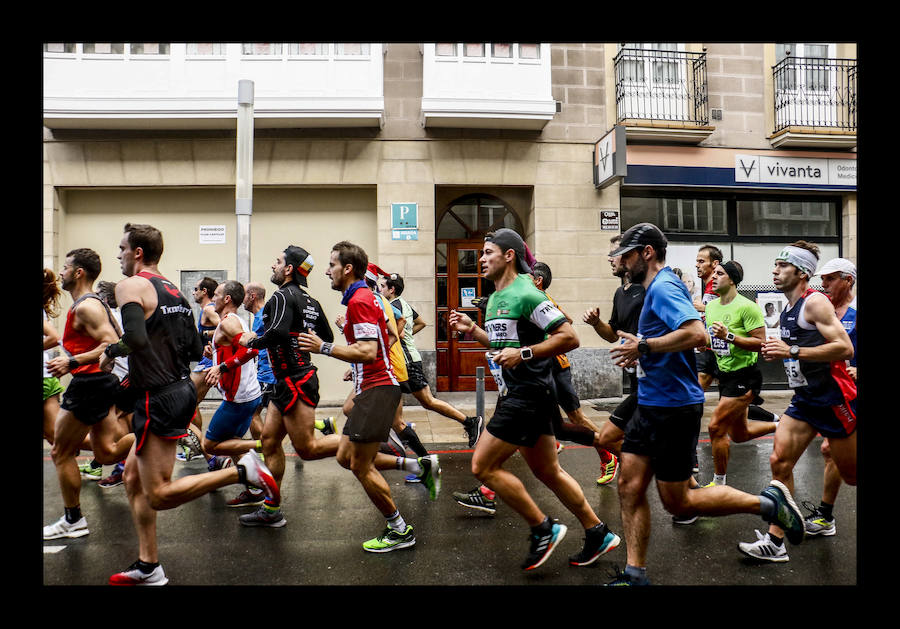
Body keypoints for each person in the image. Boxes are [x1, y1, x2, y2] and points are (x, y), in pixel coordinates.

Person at [605, 223, 806, 586]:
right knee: (629, 486)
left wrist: (644, 347)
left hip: (672, 409)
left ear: (646, 253)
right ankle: (635, 575)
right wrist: (644, 346)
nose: (619, 260)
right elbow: (685, 339)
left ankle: (769, 505)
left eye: (625, 253)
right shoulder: (652, 288)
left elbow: (696, 333)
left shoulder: (664, 286)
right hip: (650, 404)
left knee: (679, 503)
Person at [101, 223, 278, 585]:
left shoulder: (131, 286)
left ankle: (243, 472)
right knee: (133, 479)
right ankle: (149, 565)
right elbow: (198, 350)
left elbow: (132, 339)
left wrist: (110, 352)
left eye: (121, 248)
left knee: (160, 493)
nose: (117, 255)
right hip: (179, 391)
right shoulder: (176, 295)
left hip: (158, 398)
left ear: (137, 253)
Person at [448, 228, 621, 571]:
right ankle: (597, 532)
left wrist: (525, 353)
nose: (481, 259)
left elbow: (568, 336)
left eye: (487, 253)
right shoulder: (496, 297)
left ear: (508, 255)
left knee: (482, 466)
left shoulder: (528, 293)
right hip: (526, 395)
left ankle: (544, 528)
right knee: (549, 472)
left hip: (527, 395)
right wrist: (473, 330)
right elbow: (502, 349)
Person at [297, 240, 436, 553]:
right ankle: (417, 467)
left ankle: (399, 529)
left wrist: (325, 347)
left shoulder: (360, 300)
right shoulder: (364, 298)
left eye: (332, 264)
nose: (327, 271)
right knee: (345, 457)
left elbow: (369, 349)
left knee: (360, 466)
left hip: (376, 389)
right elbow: (383, 340)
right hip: (371, 387)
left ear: (347, 269)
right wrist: (357, 366)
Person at [737, 241, 857, 562]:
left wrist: (791, 351)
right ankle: (776, 543)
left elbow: (844, 348)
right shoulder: (788, 308)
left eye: (781, 265)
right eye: (775, 265)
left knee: (852, 475)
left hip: (834, 399)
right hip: (805, 400)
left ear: (802, 273)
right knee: (779, 461)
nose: (774, 270)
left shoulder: (815, 302)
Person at [236, 246, 340, 527]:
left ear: (290, 269)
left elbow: (279, 333)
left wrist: (251, 341)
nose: (274, 266)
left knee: (307, 448)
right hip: (287, 380)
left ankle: (362, 442)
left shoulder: (283, 295)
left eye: (278, 261)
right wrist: (299, 339)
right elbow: (326, 335)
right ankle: (271, 509)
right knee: (269, 441)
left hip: (296, 380)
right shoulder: (310, 300)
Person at [42, 249, 138, 541]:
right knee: (106, 452)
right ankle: (160, 431)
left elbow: (114, 343)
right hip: (101, 382)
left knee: (60, 451)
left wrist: (73, 362)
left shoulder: (86, 307)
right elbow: (121, 337)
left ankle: (73, 520)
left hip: (90, 384)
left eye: (66, 267)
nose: (61, 273)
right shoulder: (96, 303)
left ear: (79, 272)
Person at [377, 271, 484, 448]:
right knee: (414, 404)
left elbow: (400, 332)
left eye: (382, 287)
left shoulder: (393, 306)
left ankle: (469, 422)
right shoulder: (403, 304)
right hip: (408, 359)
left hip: (406, 361)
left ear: (392, 290)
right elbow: (422, 322)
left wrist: (398, 337)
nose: (379, 290)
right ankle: (402, 433)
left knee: (427, 401)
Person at [702, 261, 777, 487]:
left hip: (745, 376)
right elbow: (714, 340)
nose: (713, 277)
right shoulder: (711, 307)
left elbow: (760, 343)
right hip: (725, 376)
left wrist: (730, 337)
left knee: (715, 427)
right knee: (740, 434)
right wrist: (706, 343)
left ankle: (719, 483)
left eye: (719, 273)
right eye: (713, 273)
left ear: (732, 279)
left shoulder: (747, 307)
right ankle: (781, 425)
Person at [582, 233, 645, 485]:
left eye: (614, 254)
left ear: (631, 255)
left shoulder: (650, 289)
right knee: (619, 438)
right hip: (637, 381)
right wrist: (597, 323)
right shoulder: (621, 293)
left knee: (610, 437)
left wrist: (642, 349)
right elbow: (612, 335)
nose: (609, 259)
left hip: (656, 382)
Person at [802, 258, 857, 539]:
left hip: (853, 393)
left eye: (830, 279)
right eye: (821, 280)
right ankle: (825, 515)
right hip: (835, 395)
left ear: (848, 280)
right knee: (828, 451)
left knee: (832, 454)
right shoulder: (822, 309)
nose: (823, 285)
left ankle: (825, 515)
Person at [201, 280, 265, 473]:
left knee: (210, 445)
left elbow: (252, 350)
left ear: (227, 298)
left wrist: (221, 367)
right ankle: (254, 487)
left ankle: (263, 445)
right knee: (232, 442)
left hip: (238, 399)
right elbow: (234, 348)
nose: (212, 300)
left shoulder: (228, 322)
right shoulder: (236, 320)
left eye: (216, 295)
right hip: (246, 395)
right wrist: (213, 354)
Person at [181, 276, 221, 461]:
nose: (193, 292)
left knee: (184, 404)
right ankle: (199, 446)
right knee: (192, 404)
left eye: (196, 289)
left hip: (210, 364)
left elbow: (227, 325)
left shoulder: (209, 308)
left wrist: (205, 334)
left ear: (204, 291)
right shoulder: (208, 309)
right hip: (208, 362)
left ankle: (207, 452)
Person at [43, 268, 64, 447]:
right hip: (46, 378)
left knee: (57, 438)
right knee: (54, 437)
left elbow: (54, 337)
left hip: (44, 379)